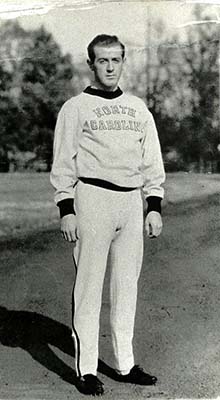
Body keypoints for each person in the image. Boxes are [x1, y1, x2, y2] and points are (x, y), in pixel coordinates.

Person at [50, 34, 165, 396]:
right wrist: (66, 208)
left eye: (116, 60)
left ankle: (126, 363)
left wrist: (154, 204)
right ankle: (86, 369)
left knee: (125, 286)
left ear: (123, 61)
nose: (110, 67)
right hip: (92, 198)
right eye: (103, 61)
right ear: (91, 64)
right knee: (89, 286)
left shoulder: (138, 108)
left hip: (131, 201)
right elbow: (63, 162)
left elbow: (152, 161)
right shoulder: (76, 107)